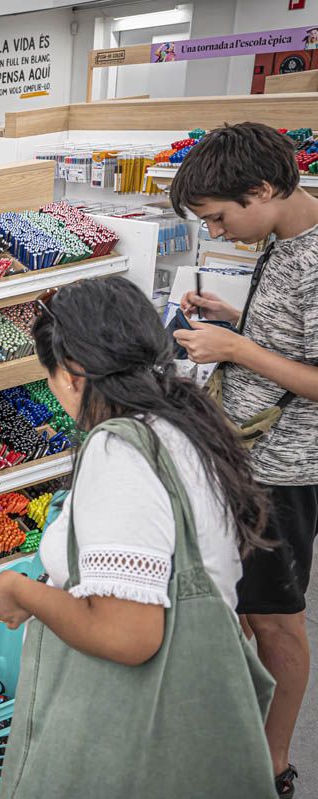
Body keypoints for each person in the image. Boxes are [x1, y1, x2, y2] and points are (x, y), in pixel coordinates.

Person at [0, 278, 276, 798]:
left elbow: (129, 636)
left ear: (73, 375)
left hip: (134, 727)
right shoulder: (185, 422)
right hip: (194, 711)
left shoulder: (119, 454)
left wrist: (20, 590)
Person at [171, 121, 318, 799]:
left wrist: (234, 351)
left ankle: (274, 762)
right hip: (256, 460)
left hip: (286, 470)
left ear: (262, 189)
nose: (220, 232)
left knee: (278, 620)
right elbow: (296, 339)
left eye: (221, 218)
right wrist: (236, 320)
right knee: (252, 607)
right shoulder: (287, 240)